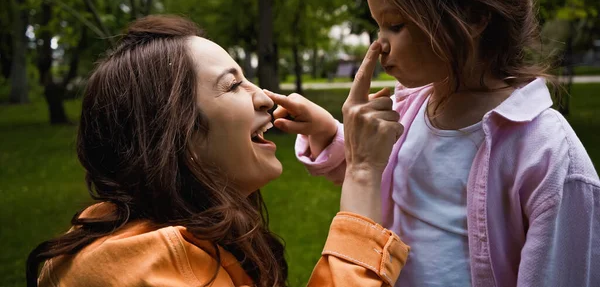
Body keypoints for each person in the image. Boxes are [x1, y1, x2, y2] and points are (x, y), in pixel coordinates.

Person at [266, 0, 600, 286]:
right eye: (378, 24)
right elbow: (378, 174)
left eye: (395, 25)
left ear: (472, 16)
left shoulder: (549, 156)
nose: (380, 44)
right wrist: (327, 132)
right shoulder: (411, 107)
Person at [26, 15, 409, 287]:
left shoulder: (144, 237)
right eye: (232, 85)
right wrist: (361, 172)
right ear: (172, 132)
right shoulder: (148, 269)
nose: (264, 98)